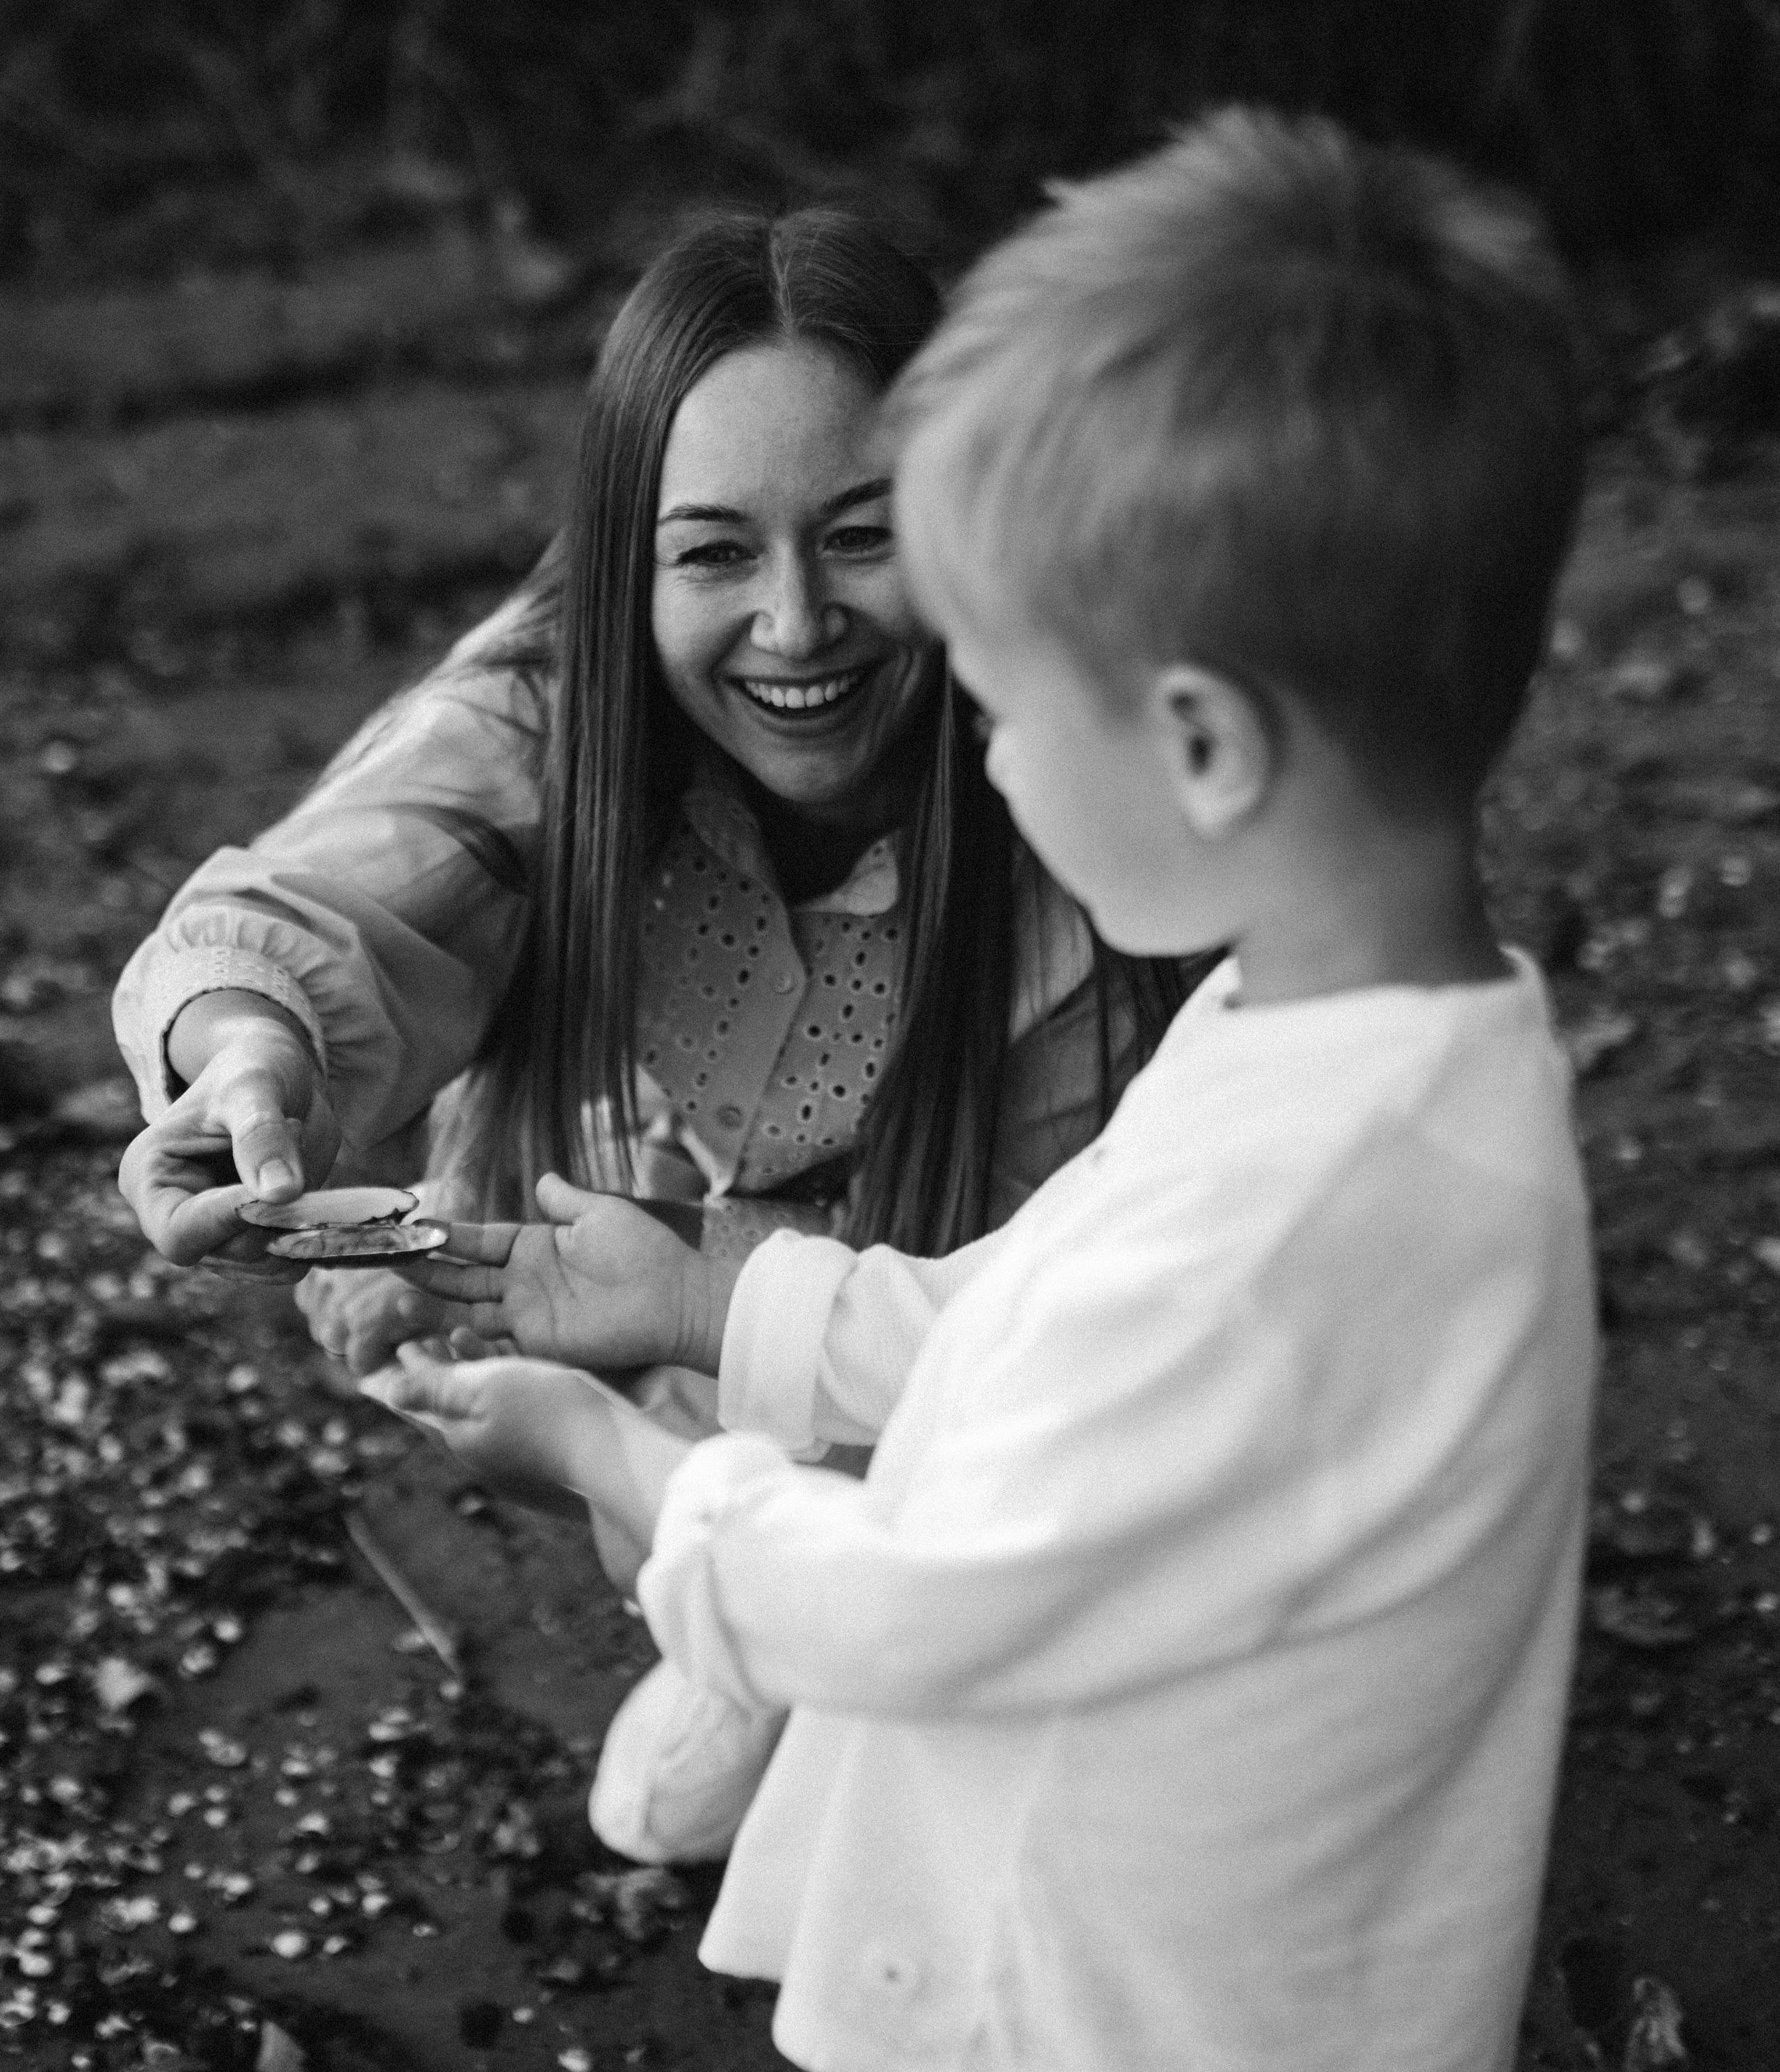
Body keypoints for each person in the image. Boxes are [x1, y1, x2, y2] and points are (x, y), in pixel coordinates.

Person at [369, 106, 1598, 2071]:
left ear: (1199, 742)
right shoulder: (1350, 1036)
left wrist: (612, 1460)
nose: (988, 769)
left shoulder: (1293, 1229)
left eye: (1010, 705)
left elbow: (914, 1607)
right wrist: (705, 1293)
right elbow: (1022, 1304)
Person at [111, 207, 1197, 1864]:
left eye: (857, 535)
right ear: (629, 558)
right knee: (545, 1262)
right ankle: (737, 1608)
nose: (791, 624)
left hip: (1004, 1312)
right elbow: (333, 885)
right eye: (711, 552)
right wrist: (247, 1049)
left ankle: (966, 1656)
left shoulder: (1076, 737)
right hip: (688, 1258)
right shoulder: (553, 694)